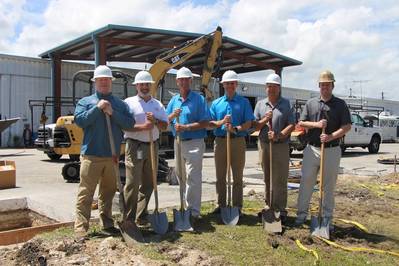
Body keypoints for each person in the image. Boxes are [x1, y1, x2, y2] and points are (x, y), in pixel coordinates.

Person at [74, 65, 134, 237]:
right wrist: (97, 108)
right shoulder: (85, 102)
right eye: (100, 80)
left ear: (111, 82)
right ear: (95, 82)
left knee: (107, 193)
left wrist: (112, 112)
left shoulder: (120, 104)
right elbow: (80, 121)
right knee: (86, 193)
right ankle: (80, 228)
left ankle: (107, 223)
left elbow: (129, 124)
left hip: (112, 157)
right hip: (91, 155)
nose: (104, 83)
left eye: (106, 80)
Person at [295, 70, 351, 229]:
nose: (325, 87)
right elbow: (301, 123)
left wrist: (331, 136)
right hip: (312, 149)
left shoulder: (340, 104)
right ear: (319, 86)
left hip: (332, 150)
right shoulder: (311, 103)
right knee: (306, 182)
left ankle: (326, 219)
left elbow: (347, 126)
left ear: (332, 85)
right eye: (322, 85)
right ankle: (301, 216)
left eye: (328, 85)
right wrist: (317, 125)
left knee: (328, 186)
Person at [123, 71, 168, 227]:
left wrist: (155, 121)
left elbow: (165, 126)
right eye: (141, 84)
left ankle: (141, 216)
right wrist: (143, 126)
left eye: (147, 84)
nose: (144, 87)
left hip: (152, 146)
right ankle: (128, 218)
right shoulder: (128, 103)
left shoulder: (158, 104)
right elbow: (124, 125)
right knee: (132, 183)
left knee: (149, 182)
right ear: (136, 86)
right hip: (134, 145)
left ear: (151, 85)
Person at [166, 67, 210, 219]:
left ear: (191, 81)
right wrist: (173, 116)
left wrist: (186, 127)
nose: (184, 82)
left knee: (193, 176)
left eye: (187, 79)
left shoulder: (199, 100)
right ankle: (184, 207)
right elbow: (166, 121)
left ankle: (194, 211)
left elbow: (205, 121)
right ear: (177, 82)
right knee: (181, 176)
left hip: (194, 142)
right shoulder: (173, 101)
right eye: (181, 79)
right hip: (178, 142)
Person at [209, 70, 254, 214]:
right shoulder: (216, 103)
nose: (229, 86)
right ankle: (221, 204)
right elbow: (210, 123)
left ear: (236, 84)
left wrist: (235, 128)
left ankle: (237, 206)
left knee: (237, 176)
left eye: (232, 83)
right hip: (221, 141)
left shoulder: (244, 102)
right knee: (220, 176)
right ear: (223, 85)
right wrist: (221, 122)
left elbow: (249, 122)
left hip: (237, 141)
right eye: (227, 83)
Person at [254, 73, 295, 223]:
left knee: (280, 178)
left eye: (274, 86)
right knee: (267, 177)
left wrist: (279, 135)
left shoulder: (286, 104)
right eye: (268, 86)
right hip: (264, 145)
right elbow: (255, 125)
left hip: (280, 146)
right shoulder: (260, 104)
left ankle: (280, 208)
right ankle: (268, 205)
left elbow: (292, 124)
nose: (270, 89)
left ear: (279, 88)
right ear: (266, 88)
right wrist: (265, 119)